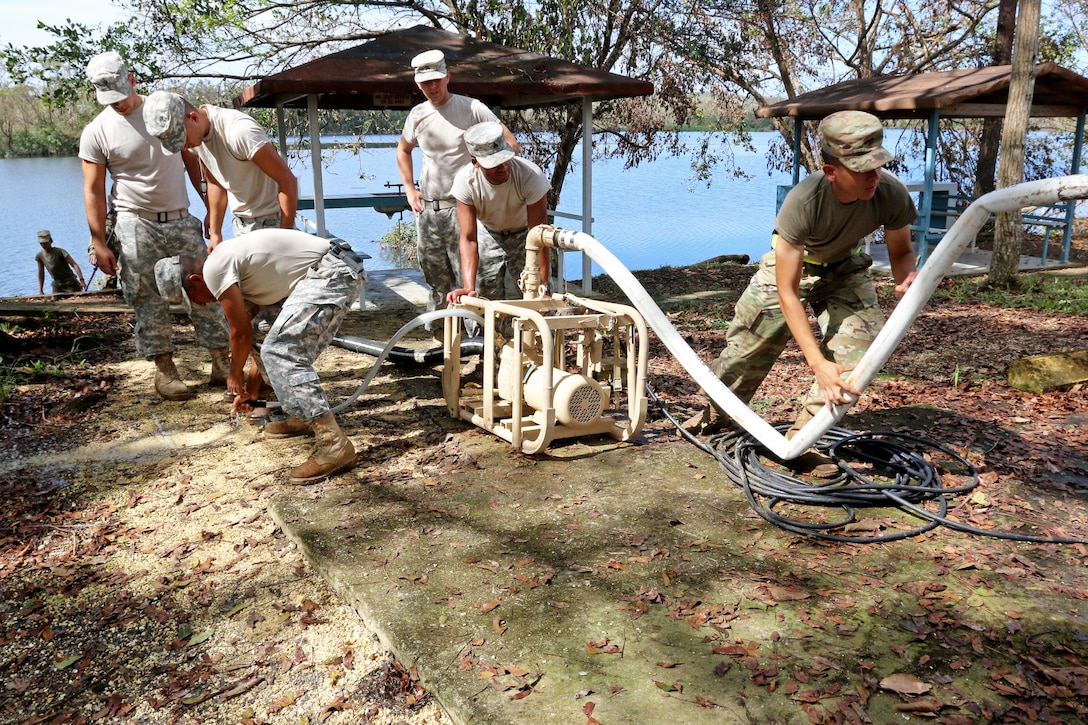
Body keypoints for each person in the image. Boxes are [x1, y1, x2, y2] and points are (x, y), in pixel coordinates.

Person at [683, 110, 919, 476]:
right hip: (792, 271)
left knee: (860, 355)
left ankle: (803, 442)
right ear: (831, 171)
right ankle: (716, 416)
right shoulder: (804, 202)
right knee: (744, 355)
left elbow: (901, 252)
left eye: (878, 163)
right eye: (862, 168)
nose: (874, 175)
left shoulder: (889, 193)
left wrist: (907, 280)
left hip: (844, 270)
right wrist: (816, 364)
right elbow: (787, 290)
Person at [79, 51, 231, 402]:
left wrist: (210, 207)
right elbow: (93, 190)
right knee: (146, 296)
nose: (117, 103)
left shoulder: (163, 111)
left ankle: (220, 360)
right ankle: (165, 369)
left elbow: (194, 164)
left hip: (179, 216)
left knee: (205, 286)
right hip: (134, 221)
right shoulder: (96, 132)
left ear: (131, 80)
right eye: (108, 98)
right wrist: (98, 240)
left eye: (120, 93)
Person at [178, 228, 366, 483]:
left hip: (333, 271)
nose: (200, 304)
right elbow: (253, 335)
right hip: (323, 272)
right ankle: (300, 415)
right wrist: (251, 393)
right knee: (267, 336)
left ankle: (334, 445)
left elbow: (240, 334)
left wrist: (234, 376)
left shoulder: (215, 268)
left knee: (282, 350)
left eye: (193, 299)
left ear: (195, 279)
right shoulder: (231, 268)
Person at [396, 49, 520, 326]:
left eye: (437, 80)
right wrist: (409, 188)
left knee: (473, 283)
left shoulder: (471, 108)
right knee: (436, 280)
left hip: (464, 208)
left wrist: (488, 182)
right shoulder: (417, 115)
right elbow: (403, 150)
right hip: (429, 212)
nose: (433, 87)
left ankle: (481, 345)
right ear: (417, 84)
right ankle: (444, 346)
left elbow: (510, 144)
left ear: (448, 76)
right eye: (426, 82)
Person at [142, 90, 297, 250]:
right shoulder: (197, 139)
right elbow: (215, 181)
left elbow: (287, 181)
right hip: (241, 224)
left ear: (193, 118)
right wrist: (216, 232)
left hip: (272, 224)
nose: (182, 146)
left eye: (182, 139)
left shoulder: (240, 132)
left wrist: (285, 236)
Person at [446, 121, 551, 305]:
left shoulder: (530, 176)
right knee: (482, 298)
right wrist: (469, 287)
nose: (502, 167)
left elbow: (539, 235)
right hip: (488, 232)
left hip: (526, 235)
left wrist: (544, 286)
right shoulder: (465, 182)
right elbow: (469, 238)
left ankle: (537, 332)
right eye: (493, 164)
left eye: (504, 159)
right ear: (475, 162)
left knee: (535, 296)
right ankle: (486, 333)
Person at [35, 230, 86, 295]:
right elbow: (41, 273)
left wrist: (82, 280)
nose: (43, 245)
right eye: (41, 243)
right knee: (54, 301)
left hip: (70, 282)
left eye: (45, 242)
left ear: (51, 241)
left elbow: (74, 264)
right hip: (57, 284)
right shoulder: (40, 256)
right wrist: (41, 290)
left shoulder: (60, 252)